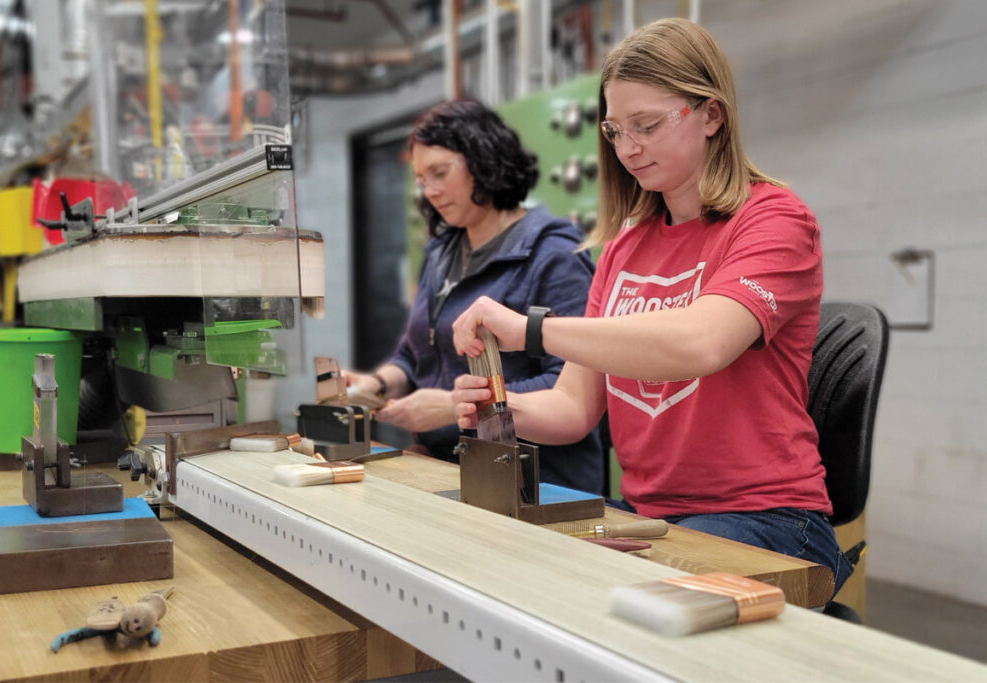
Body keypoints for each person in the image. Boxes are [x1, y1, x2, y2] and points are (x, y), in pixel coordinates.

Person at [450, 18, 852, 595]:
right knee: (520, 572)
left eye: (647, 125)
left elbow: (701, 343)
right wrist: (502, 407)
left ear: (711, 115)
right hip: (654, 516)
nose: (628, 149)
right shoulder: (623, 248)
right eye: (615, 131)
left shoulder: (776, 222)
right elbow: (572, 409)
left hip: (771, 519)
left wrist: (532, 331)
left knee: (618, 604)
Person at [346, 99, 605, 494]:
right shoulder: (441, 252)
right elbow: (415, 355)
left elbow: (569, 388)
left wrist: (455, 406)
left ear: (484, 161)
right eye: (420, 178)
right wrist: (378, 385)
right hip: (453, 475)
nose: (429, 191)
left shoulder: (553, 256)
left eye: (439, 173)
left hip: (537, 484)